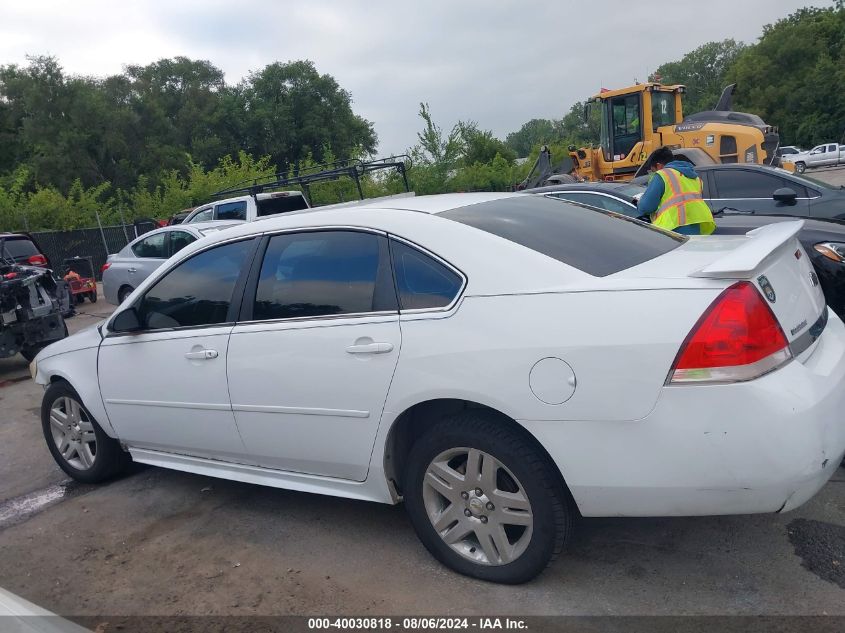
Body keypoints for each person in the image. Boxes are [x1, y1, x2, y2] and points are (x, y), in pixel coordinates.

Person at [636, 147, 716, 235]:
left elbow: (646, 207)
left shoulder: (663, 174)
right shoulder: (695, 177)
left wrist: (639, 201)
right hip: (696, 227)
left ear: (658, 166)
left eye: (652, 170)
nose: (652, 173)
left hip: (673, 230)